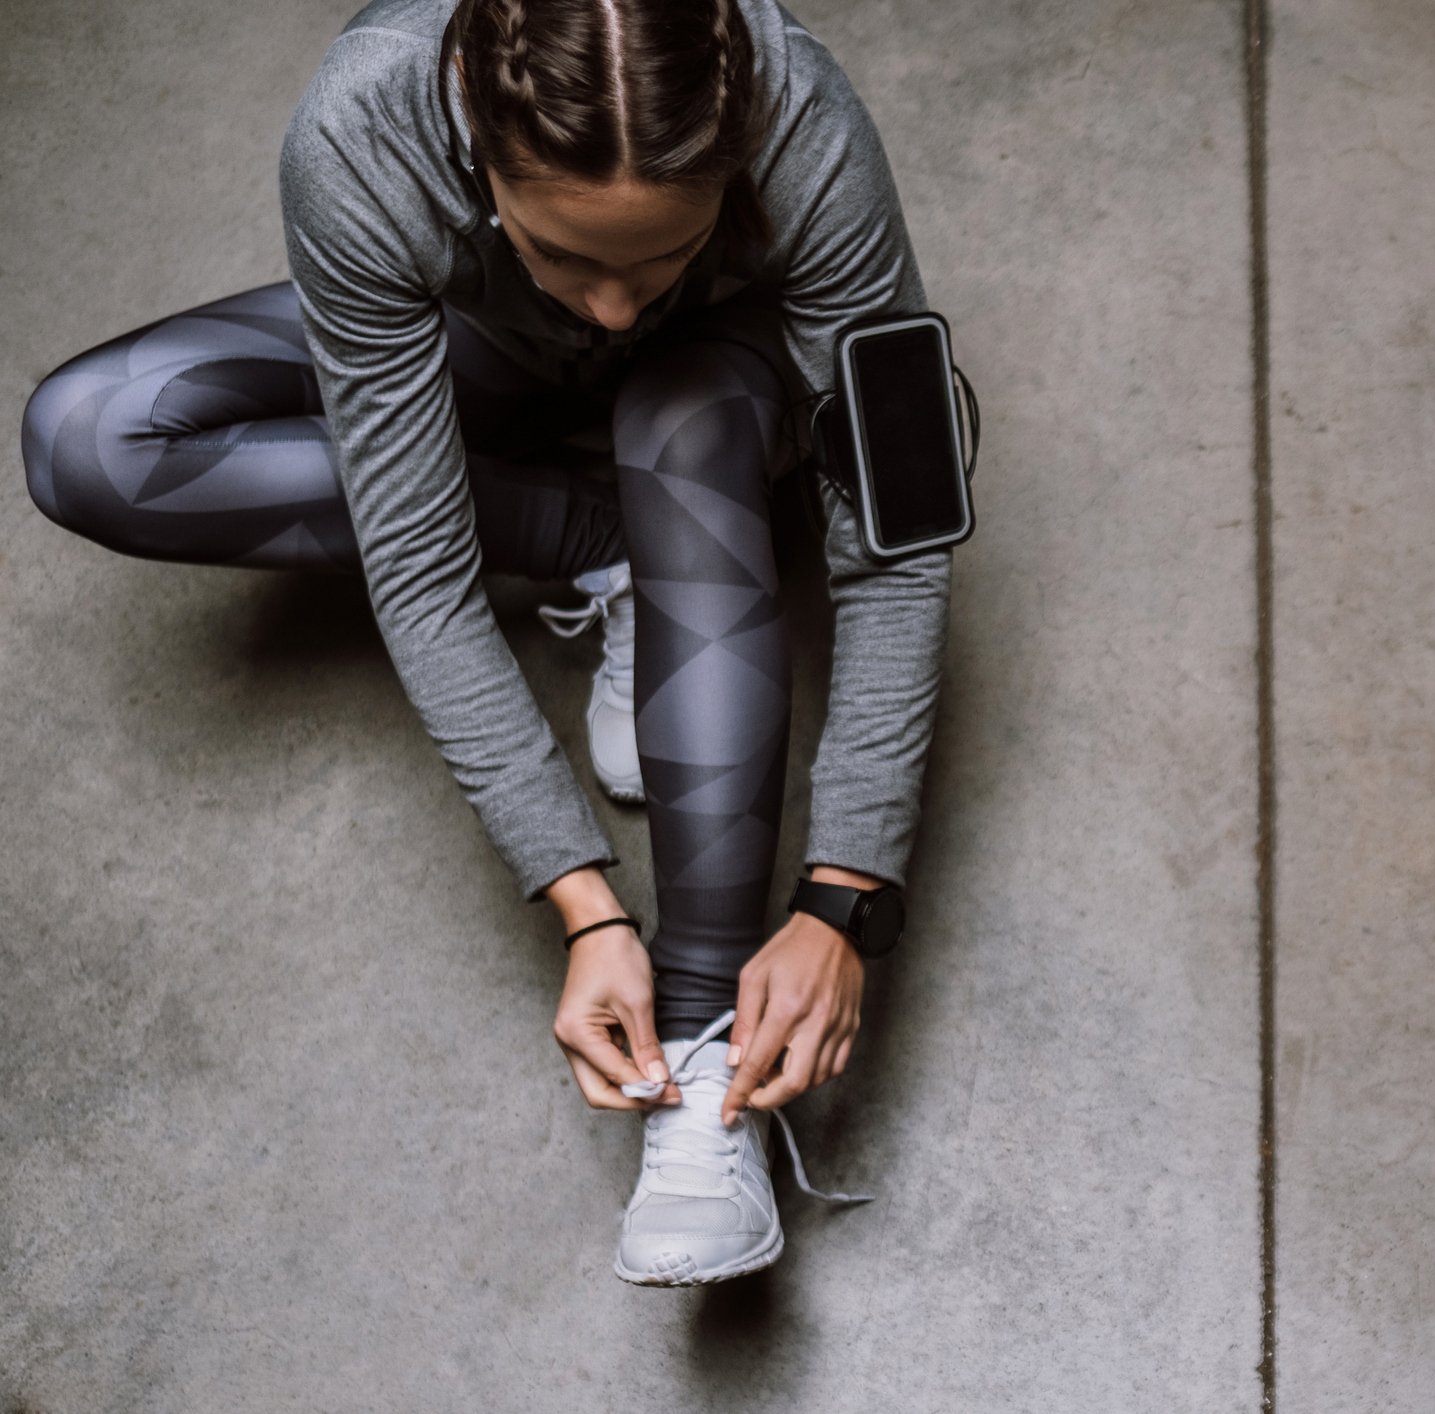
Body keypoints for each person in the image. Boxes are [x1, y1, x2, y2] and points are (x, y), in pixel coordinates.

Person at [17, 0, 952, 1287]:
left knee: (670, 400)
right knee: (95, 435)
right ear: (476, 133)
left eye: (663, 253)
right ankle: (607, 540)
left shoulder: (799, 115)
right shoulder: (368, 122)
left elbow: (895, 541)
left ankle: (700, 1049)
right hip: (485, 351)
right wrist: (579, 900)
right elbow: (421, 565)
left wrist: (846, 892)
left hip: (728, 388)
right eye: (571, 254)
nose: (618, 307)